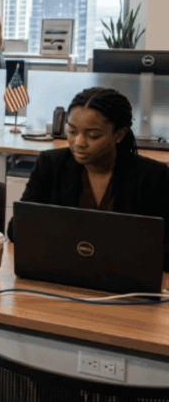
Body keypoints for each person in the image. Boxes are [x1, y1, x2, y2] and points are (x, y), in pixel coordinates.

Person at [9, 87, 169, 285]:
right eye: (72, 131)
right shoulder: (51, 164)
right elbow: (17, 229)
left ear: (118, 135)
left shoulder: (152, 175)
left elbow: (166, 248)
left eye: (92, 135)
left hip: (122, 285)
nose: (79, 142)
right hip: (59, 278)